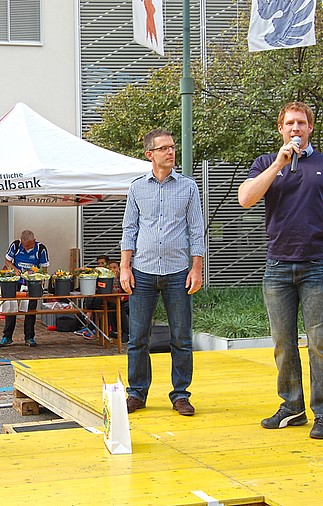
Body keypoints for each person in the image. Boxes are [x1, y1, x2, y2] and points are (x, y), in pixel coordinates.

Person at [238, 101, 323, 440]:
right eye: (289, 123)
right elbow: (246, 198)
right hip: (277, 266)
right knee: (282, 342)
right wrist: (278, 162)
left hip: (317, 264)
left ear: (310, 129)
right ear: (280, 128)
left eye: (301, 123)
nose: (295, 128)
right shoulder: (266, 163)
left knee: (320, 342)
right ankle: (292, 408)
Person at [120, 129, 204, 417]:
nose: (171, 152)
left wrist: (197, 268)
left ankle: (180, 395)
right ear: (150, 154)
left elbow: (196, 230)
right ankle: (137, 393)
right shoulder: (136, 188)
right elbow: (129, 229)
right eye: (164, 148)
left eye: (173, 147)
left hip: (178, 272)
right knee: (137, 338)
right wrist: (124, 267)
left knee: (181, 337)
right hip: (142, 271)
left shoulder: (189, 187)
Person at [0, 230, 49, 348]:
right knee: (11, 308)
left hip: (31, 283)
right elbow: (7, 260)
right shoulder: (15, 245)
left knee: (30, 310)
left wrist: (40, 280)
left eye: (29, 246)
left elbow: (44, 268)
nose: (26, 248)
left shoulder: (41, 249)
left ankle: (29, 337)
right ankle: (7, 337)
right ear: (21, 241)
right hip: (16, 282)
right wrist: (14, 269)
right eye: (24, 246)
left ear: (34, 241)